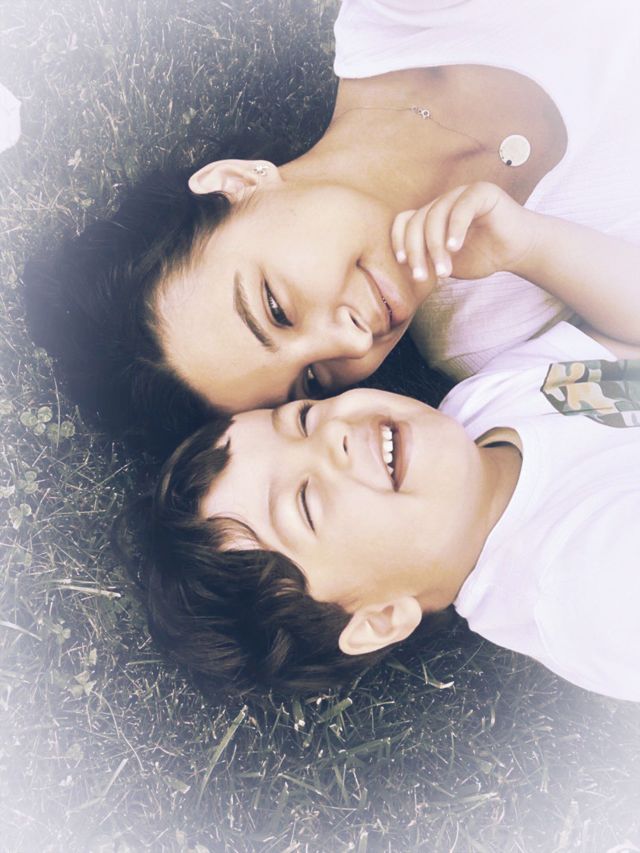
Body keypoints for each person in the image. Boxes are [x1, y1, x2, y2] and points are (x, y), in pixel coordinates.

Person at [25, 0, 640, 453]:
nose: (349, 342)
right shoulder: (482, 347)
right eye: (313, 381)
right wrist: (537, 250)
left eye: (276, 309)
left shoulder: (408, 18)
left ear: (235, 184)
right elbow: (629, 389)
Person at [128, 183, 640, 699]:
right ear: (380, 618)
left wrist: (529, 247)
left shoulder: (485, 408)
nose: (334, 435)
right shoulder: (587, 593)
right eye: (306, 502)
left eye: (303, 420)